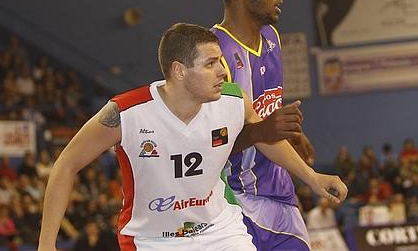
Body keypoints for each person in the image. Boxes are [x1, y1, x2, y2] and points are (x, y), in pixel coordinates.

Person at [37, 23, 347, 251]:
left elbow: (266, 139)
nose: (222, 72)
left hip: (220, 230)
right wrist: (46, 244)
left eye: (220, 62)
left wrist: (311, 177)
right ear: (179, 71)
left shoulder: (233, 100)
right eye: (210, 64)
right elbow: (66, 164)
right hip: (153, 240)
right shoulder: (126, 112)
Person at [213, 0, 318, 250]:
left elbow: (268, 107)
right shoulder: (214, 52)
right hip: (235, 199)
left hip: (280, 191)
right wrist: (265, 132)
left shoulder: (271, 36)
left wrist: (292, 134)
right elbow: (212, 143)